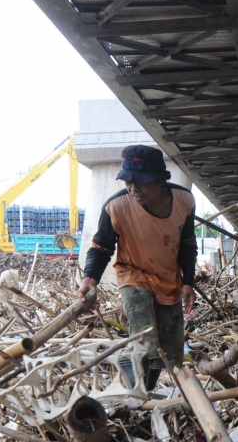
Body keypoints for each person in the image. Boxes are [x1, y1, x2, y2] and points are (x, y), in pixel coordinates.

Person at [78, 145, 197, 390]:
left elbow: (187, 244)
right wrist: (90, 277)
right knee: (144, 339)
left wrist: (188, 281)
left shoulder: (184, 200)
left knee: (169, 354)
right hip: (133, 274)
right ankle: (132, 391)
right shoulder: (116, 207)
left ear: (158, 181)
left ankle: (146, 393)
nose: (133, 188)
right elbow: (101, 247)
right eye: (128, 181)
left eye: (140, 182)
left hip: (168, 279)